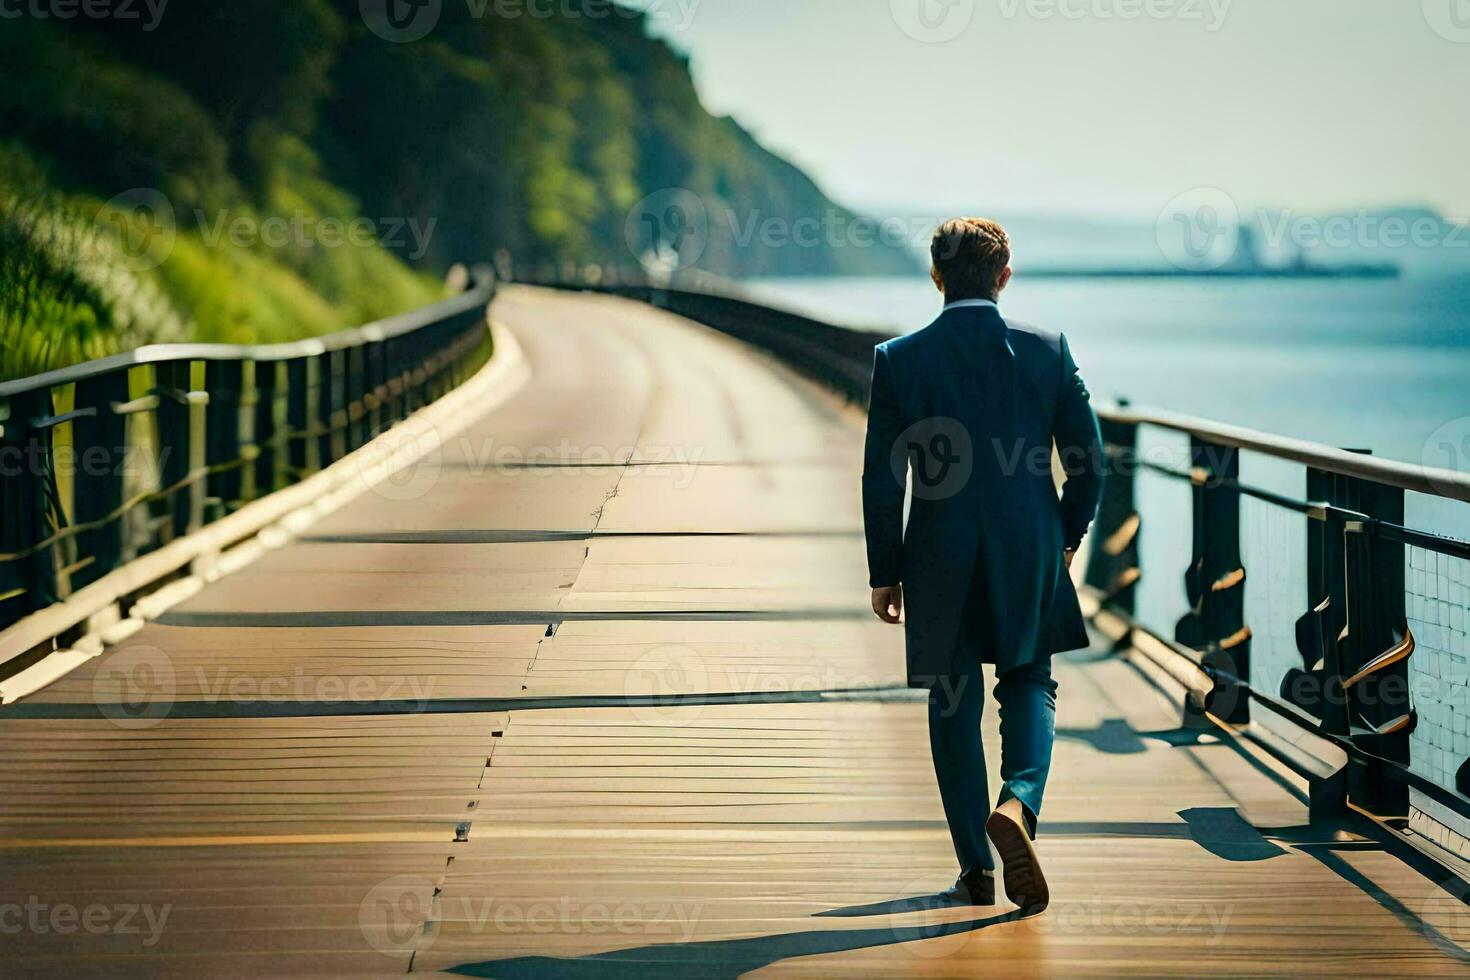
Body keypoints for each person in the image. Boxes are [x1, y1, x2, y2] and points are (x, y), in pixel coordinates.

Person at [862, 217, 1105, 912]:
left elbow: (883, 479)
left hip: (936, 555)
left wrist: (886, 571)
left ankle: (975, 871)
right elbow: (1090, 466)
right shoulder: (1048, 351)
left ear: (936, 277)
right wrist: (1065, 537)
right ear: (1004, 276)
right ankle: (1020, 804)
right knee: (1030, 680)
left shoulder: (898, 360)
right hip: (1030, 547)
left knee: (952, 704)